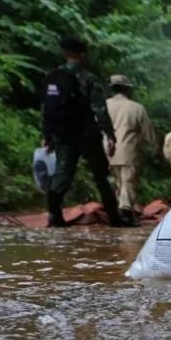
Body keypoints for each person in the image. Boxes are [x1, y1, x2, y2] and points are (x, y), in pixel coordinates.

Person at [40, 35, 125, 227]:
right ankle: (114, 217)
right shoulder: (88, 78)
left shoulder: (54, 77)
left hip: (62, 133)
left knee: (63, 174)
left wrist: (47, 134)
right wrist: (109, 134)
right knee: (101, 175)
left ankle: (55, 216)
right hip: (87, 133)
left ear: (65, 53)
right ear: (82, 54)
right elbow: (99, 110)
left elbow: (46, 108)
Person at [105, 74, 155, 224]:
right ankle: (125, 213)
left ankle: (117, 212)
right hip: (128, 151)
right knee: (128, 183)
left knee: (118, 183)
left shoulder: (104, 105)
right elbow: (148, 132)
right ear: (127, 89)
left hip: (108, 151)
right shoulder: (136, 108)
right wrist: (156, 149)